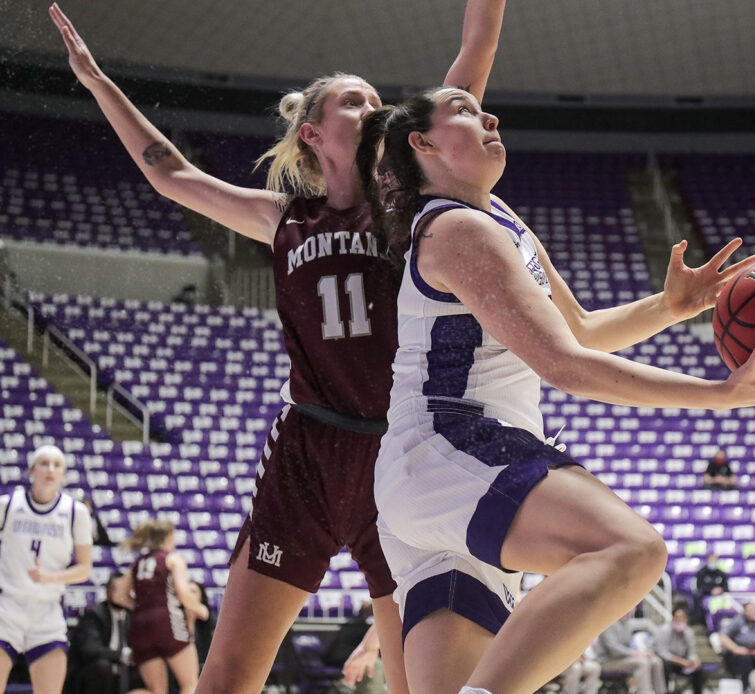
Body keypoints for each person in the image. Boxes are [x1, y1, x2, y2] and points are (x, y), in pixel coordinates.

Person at [50, 2, 506, 692]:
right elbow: (170, 174)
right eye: (356, 101)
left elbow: (469, 66)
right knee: (228, 673)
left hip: (400, 455)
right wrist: (96, 83)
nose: (375, 107)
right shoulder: (283, 218)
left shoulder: (406, 202)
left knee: (411, 682)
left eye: (380, 102)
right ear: (312, 131)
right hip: (308, 453)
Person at [355, 87, 755, 693]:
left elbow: (578, 330)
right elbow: (566, 367)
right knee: (630, 551)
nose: (491, 114)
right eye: (466, 111)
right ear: (422, 144)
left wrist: (669, 306)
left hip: (434, 481)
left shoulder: (496, 217)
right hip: (451, 446)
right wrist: (723, 394)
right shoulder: (454, 227)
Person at [0, 445, 93, 694]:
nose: (50, 470)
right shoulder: (8, 505)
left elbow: (85, 569)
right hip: (6, 607)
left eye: (57, 465)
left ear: (63, 473)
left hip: (47, 610)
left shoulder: (76, 512)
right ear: (32, 470)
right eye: (44, 463)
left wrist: (50, 577)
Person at [118, 520, 209, 694]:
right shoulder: (172, 559)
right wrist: (199, 608)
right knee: (190, 684)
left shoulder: (138, 563)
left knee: (155, 690)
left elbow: (119, 595)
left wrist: (141, 606)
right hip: (166, 622)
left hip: (139, 625)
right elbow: (183, 592)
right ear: (169, 536)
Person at [68, 572, 143, 694]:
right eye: (119, 590)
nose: (123, 594)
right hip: (96, 667)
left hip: (125, 666)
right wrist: (121, 655)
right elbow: (90, 649)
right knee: (102, 668)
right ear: (108, 591)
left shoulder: (133, 614)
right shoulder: (94, 614)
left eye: (127, 590)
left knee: (147, 668)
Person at [594, 613, 666, 694]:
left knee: (655, 661)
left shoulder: (627, 623)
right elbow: (614, 650)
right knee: (642, 663)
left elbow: (646, 623)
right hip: (607, 661)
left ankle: (661, 692)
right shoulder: (608, 624)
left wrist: (646, 652)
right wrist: (636, 654)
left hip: (623, 659)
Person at [653, 605, 705, 694]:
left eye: (682, 618)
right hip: (666, 662)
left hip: (682, 662)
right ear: (673, 618)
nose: (680, 620)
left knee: (697, 668)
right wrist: (680, 661)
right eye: (677, 618)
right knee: (664, 665)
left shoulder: (688, 632)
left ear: (686, 619)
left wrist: (694, 660)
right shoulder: (664, 630)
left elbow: (691, 652)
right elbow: (662, 652)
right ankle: (664, 691)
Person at [186, 582, 216, 669]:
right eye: (187, 591)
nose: (189, 595)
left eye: (193, 592)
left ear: (201, 597)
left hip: (205, 666)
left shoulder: (209, 618)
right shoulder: (174, 619)